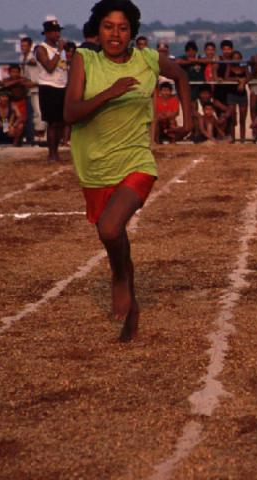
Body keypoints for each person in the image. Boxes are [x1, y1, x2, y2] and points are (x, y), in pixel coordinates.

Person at [64, 0, 193, 342]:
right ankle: (126, 287)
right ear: (98, 30)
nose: (115, 34)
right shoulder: (84, 59)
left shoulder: (147, 59)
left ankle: (121, 280)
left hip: (136, 161)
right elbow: (71, 112)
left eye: (122, 28)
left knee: (109, 228)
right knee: (113, 234)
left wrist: (187, 118)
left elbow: (180, 75)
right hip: (94, 166)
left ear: (133, 32)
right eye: (108, 27)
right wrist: (110, 92)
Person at [36, 19, 68, 161]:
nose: (57, 34)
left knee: (61, 122)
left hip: (61, 86)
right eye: (54, 31)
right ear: (47, 33)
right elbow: (49, 67)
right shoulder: (41, 49)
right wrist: (59, 51)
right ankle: (52, 154)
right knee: (52, 122)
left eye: (58, 31)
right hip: (48, 87)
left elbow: (64, 67)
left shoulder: (59, 50)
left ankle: (56, 151)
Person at [19, 37, 43, 143]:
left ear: (30, 46)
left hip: (35, 89)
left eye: (25, 46)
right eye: (22, 46)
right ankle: (31, 137)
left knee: (38, 113)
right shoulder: (21, 58)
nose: (23, 48)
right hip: (27, 89)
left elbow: (38, 76)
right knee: (30, 115)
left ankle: (39, 135)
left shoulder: (33, 58)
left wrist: (31, 83)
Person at [224, 50, 249, 143]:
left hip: (242, 94)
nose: (236, 59)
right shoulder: (229, 67)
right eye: (234, 57)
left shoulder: (244, 68)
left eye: (238, 58)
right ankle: (233, 139)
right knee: (232, 118)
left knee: (242, 119)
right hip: (232, 93)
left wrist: (243, 82)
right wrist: (238, 79)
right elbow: (226, 78)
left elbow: (249, 77)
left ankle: (242, 139)